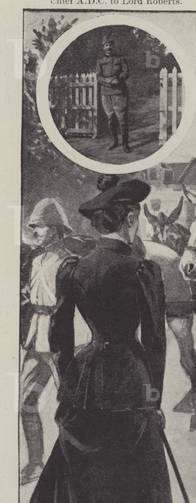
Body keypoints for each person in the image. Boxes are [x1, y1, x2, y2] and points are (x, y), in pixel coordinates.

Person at [18, 175, 188, 503]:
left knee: (87, 501)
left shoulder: (74, 268)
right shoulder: (143, 270)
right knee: (135, 501)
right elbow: (154, 342)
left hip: (89, 381)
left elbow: (60, 337)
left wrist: (71, 383)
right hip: (130, 380)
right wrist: (152, 399)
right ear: (132, 219)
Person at [19, 199, 92, 485]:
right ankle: (36, 463)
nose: (34, 230)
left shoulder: (69, 261)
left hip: (64, 340)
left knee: (70, 405)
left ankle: (76, 466)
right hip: (36, 338)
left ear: (57, 229)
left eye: (40, 225)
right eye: (32, 226)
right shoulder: (36, 259)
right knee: (25, 401)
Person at [95, 35, 131, 152]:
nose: (108, 47)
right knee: (110, 118)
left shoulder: (120, 59)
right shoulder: (100, 61)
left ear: (113, 46)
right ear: (103, 47)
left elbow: (126, 72)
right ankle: (114, 141)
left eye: (110, 45)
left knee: (122, 119)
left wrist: (118, 79)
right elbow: (98, 77)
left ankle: (125, 144)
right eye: (106, 45)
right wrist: (106, 80)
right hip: (106, 93)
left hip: (119, 92)